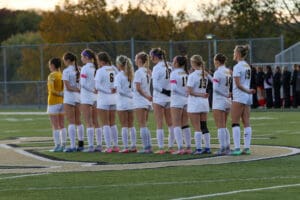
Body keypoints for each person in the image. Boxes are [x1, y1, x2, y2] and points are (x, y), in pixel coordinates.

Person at [231, 45, 256, 156]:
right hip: (246, 97)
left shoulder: (238, 66)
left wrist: (247, 90)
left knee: (235, 122)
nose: (233, 53)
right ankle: (246, 148)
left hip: (240, 95)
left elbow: (238, 84)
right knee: (246, 122)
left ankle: (236, 148)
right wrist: (248, 91)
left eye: (234, 52)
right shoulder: (247, 65)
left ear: (238, 54)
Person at [150, 47, 174, 154]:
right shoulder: (170, 65)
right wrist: (170, 92)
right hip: (170, 97)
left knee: (159, 123)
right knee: (170, 123)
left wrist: (164, 91)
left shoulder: (156, 68)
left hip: (159, 98)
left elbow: (155, 85)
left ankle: (161, 148)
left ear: (155, 57)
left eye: (152, 56)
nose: (151, 59)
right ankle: (171, 146)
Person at [95, 51, 119, 153]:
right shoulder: (114, 69)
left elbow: (97, 86)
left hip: (104, 99)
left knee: (105, 123)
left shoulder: (100, 71)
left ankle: (109, 146)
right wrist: (114, 89)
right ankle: (115, 146)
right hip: (114, 98)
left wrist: (107, 90)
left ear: (101, 61)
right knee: (112, 123)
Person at [187, 55, 211, 155]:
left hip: (195, 103)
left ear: (193, 63)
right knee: (204, 126)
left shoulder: (192, 75)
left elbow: (189, 91)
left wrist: (200, 94)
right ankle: (207, 148)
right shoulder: (205, 74)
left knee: (197, 127)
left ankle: (198, 148)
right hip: (204, 102)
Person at [62, 52, 84, 152]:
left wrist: (75, 89)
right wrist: (79, 90)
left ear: (68, 60)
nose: (64, 62)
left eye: (64, 60)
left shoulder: (66, 71)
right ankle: (81, 144)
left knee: (71, 122)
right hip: (79, 98)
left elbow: (68, 87)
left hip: (69, 98)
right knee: (79, 121)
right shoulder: (80, 69)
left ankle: (72, 146)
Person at [114, 55, 137, 153]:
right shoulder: (131, 74)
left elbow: (119, 90)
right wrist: (131, 95)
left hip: (123, 102)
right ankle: (133, 145)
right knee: (131, 125)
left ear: (119, 64)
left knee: (124, 125)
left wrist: (128, 95)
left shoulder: (119, 75)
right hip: (131, 102)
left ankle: (126, 147)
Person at [170, 55, 191, 155]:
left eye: (174, 61)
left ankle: (180, 148)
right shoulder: (186, 73)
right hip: (186, 100)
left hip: (177, 100)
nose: (172, 62)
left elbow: (174, 88)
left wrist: (182, 93)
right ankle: (188, 147)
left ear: (177, 63)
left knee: (176, 124)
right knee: (185, 124)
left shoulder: (174, 73)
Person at [212, 53, 232, 155]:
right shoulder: (228, 71)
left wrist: (224, 94)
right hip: (227, 100)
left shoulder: (218, 72)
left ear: (217, 61)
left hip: (219, 100)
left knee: (220, 126)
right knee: (224, 125)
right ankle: (227, 147)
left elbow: (215, 88)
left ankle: (222, 148)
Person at [133, 52, 153, 153]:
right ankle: (148, 146)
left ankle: (146, 148)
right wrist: (148, 97)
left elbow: (138, 88)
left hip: (140, 100)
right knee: (145, 124)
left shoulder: (138, 72)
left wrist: (147, 96)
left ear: (140, 60)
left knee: (142, 125)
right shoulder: (147, 71)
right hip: (146, 101)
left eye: (136, 58)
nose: (135, 60)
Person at [80, 49, 98, 152]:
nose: (81, 59)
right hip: (95, 97)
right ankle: (99, 145)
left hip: (87, 97)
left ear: (86, 58)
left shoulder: (85, 68)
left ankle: (91, 146)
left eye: (82, 57)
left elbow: (82, 84)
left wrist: (91, 90)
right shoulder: (96, 67)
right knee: (96, 122)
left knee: (88, 122)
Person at [47, 58, 65, 152]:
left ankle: (57, 145)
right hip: (62, 102)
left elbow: (52, 90)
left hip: (53, 102)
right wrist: (62, 94)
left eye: (50, 65)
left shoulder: (52, 75)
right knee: (62, 125)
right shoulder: (61, 74)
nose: (49, 67)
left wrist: (59, 93)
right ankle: (64, 144)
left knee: (55, 125)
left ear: (53, 65)